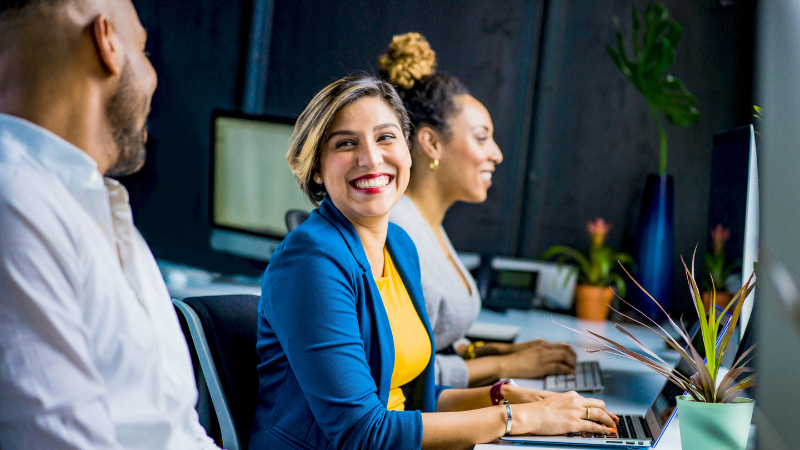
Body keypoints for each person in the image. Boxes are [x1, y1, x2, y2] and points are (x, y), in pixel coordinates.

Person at [249, 74, 617, 450]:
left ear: (408, 151)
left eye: (385, 137)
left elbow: (414, 402)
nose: (371, 158)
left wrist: (504, 397)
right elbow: (362, 433)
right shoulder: (311, 262)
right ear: (316, 168)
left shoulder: (399, 246)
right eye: (346, 143)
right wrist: (515, 419)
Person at [0, 1, 220, 448]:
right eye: (144, 50)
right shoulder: (16, 202)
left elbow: (176, 431)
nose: (153, 77)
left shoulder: (99, 209)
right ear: (107, 42)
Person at [382, 32, 577, 389]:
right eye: (482, 137)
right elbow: (400, 375)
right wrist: (509, 365)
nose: (497, 154)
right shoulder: (397, 232)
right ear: (431, 142)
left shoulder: (428, 225)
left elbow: (435, 342)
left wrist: (497, 353)